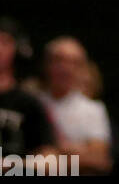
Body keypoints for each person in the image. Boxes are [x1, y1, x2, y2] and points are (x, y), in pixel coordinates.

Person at [38, 37, 112, 175]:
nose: (66, 68)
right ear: (47, 64)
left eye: (74, 63)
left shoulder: (93, 109)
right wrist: (78, 151)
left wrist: (53, 154)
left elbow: (99, 159)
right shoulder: (34, 103)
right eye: (59, 60)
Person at [0, 17, 57, 166]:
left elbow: (49, 159)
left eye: (5, 42)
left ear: (16, 49)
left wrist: (8, 165)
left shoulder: (29, 103)